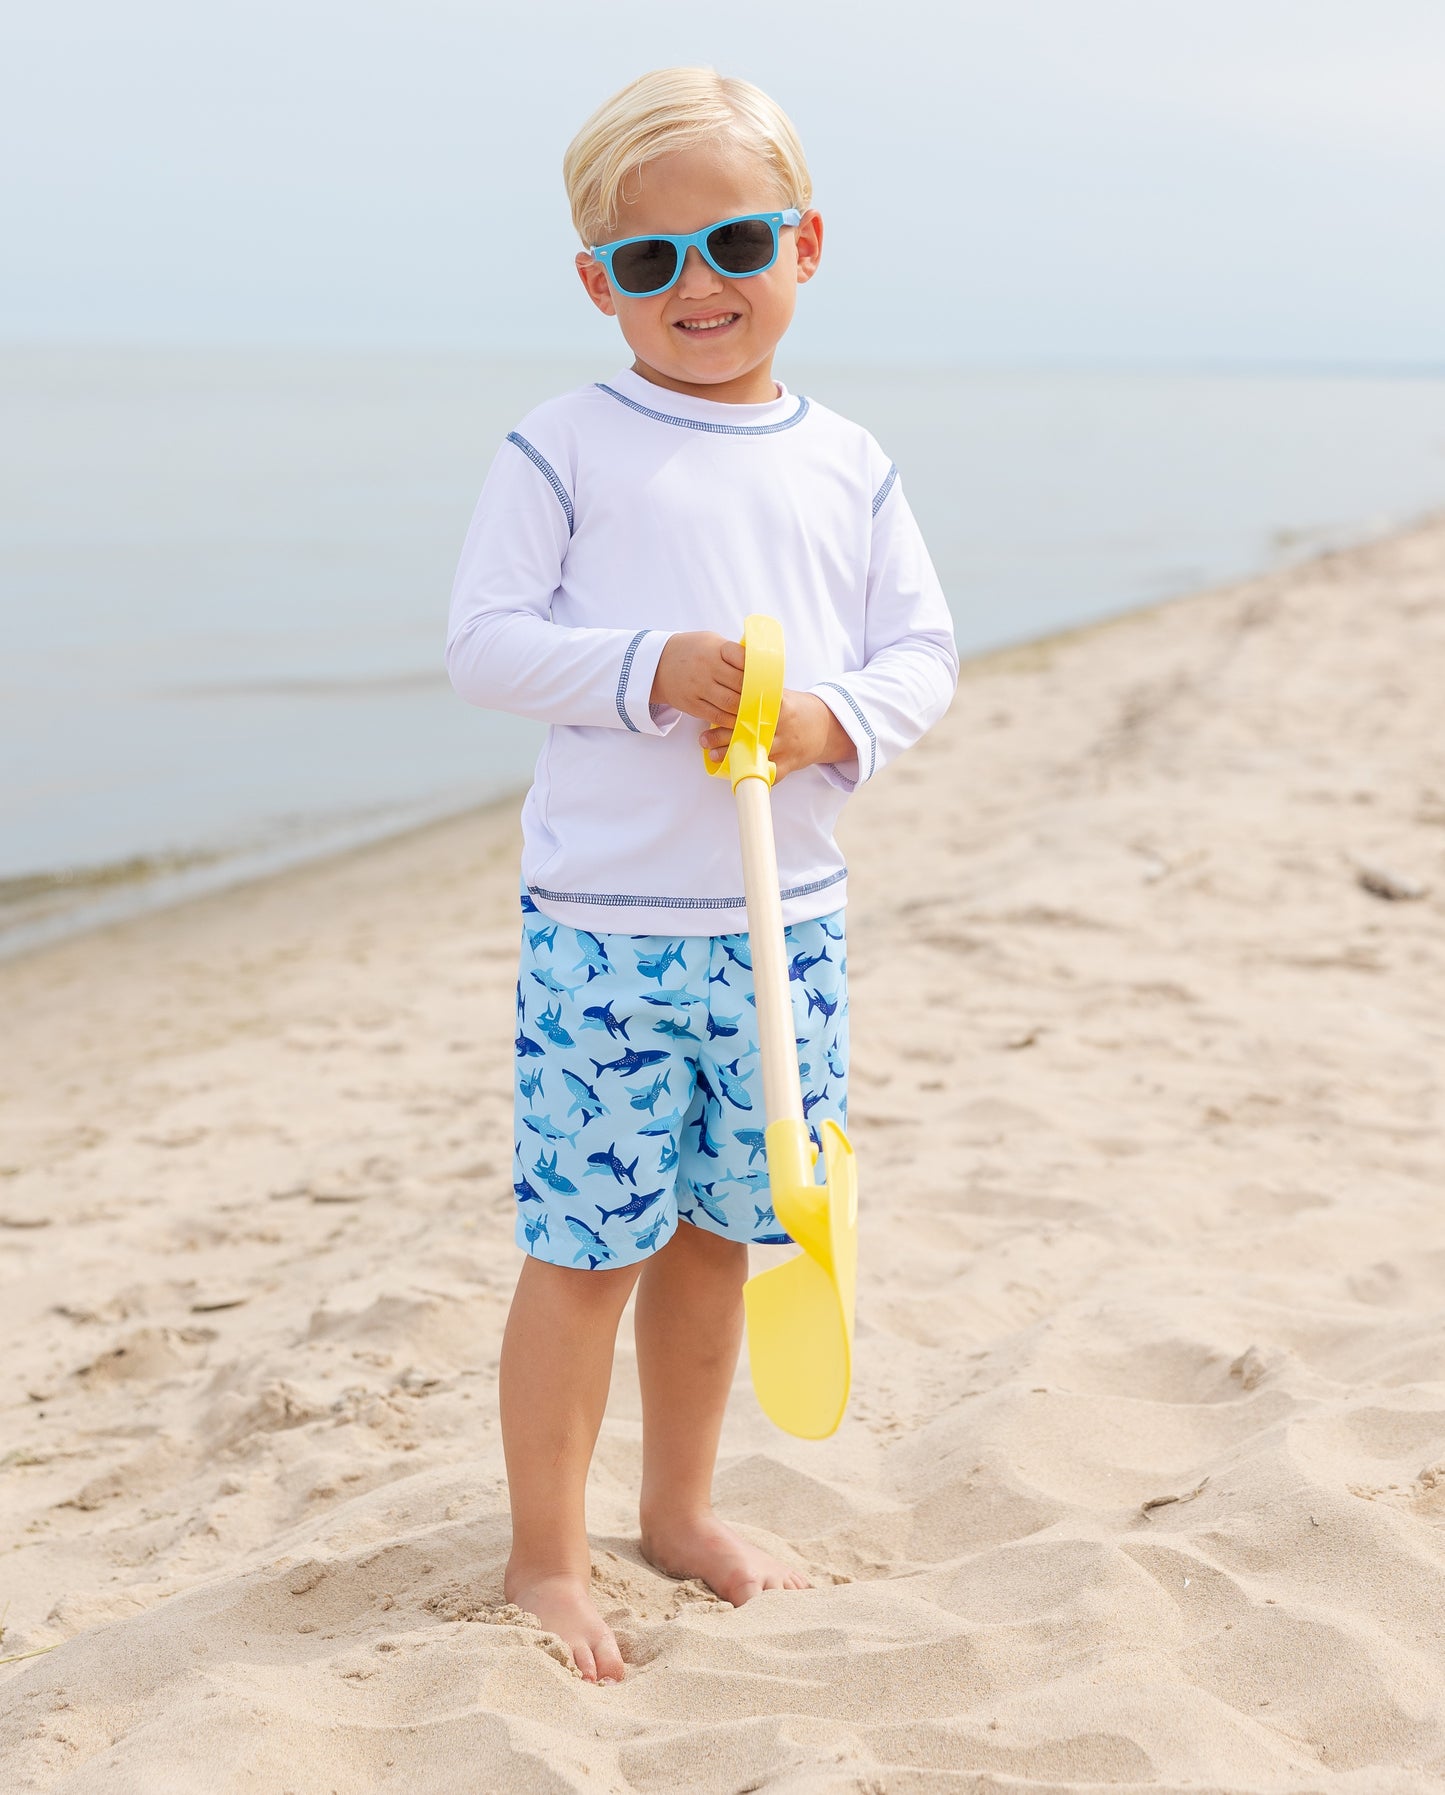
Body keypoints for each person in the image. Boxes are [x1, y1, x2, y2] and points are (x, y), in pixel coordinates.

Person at [446, 65, 958, 1684]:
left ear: (803, 244)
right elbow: (485, 643)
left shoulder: (848, 461)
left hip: (784, 928)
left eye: (733, 244)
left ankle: (677, 1512)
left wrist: (831, 719)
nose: (699, 289)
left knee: (726, 1237)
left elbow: (922, 653)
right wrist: (644, 670)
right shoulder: (565, 447)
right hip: (610, 933)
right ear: (599, 281)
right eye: (649, 262)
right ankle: (544, 1555)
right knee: (587, 1244)